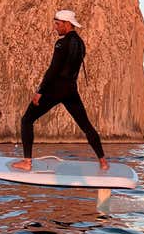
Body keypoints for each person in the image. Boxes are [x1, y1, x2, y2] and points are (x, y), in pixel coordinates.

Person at [12, 10, 109, 171]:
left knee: (27, 120)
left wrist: (40, 91)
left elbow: (53, 70)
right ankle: (103, 162)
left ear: (67, 24)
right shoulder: (80, 43)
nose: (55, 28)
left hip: (55, 89)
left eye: (58, 24)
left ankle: (27, 162)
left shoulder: (61, 43)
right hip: (71, 91)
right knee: (86, 126)